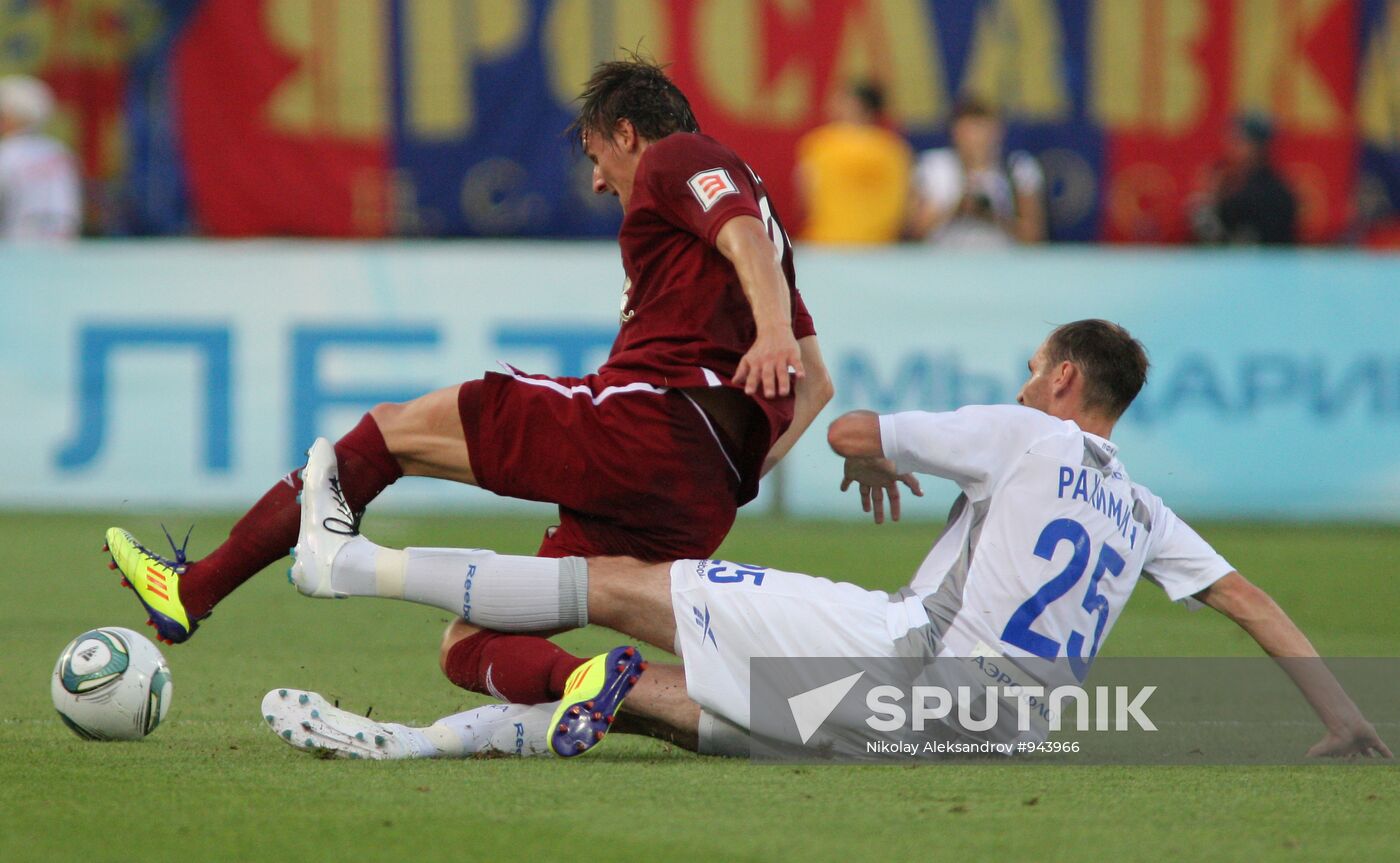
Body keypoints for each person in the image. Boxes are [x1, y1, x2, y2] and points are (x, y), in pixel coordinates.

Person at [263, 320, 1389, 761]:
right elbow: (1249, 602)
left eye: (1028, 369)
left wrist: (864, 453)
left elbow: (848, 422)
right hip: (984, 744)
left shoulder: (1020, 431)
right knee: (665, 701)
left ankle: (348, 561)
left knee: (620, 581)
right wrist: (1343, 716)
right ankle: (406, 745)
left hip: (909, 655)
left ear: (1059, 379)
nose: (1018, 382)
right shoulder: (1141, 507)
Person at [105, 57, 834, 712]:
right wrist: (724, 473)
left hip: (644, 427)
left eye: (596, 156)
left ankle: (194, 589)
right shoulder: (772, 246)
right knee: (470, 644)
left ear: (627, 132)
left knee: (390, 431)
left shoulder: (681, 157)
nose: (597, 179)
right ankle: (593, 683)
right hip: (693, 497)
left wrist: (766, 337)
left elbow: (737, 232)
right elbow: (816, 386)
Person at [908, 98, 1044, 248]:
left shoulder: (1017, 168)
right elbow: (916, 232)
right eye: (968, 131)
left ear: (997, 131)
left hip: (1003, 263)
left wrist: (993, 217)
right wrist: (958, 207)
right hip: (944, 262)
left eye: (982, 129)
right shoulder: (935, 166)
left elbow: (1033, 237)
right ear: (955, 132)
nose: (976, 139)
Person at [794, 81, 911, 245]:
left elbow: (805, 193)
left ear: (856, 104)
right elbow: (903, 203)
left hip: (826, 242)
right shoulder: (893, 148)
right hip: (879, 245)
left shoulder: (821, 144)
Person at [1191, 114, 1298, 245]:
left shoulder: (1274, 194)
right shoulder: (1227, 182)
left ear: (1257, 147)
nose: (1231, 147)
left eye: (1238, 141)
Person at [0, 75, 80, 241]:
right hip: (64, 247)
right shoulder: (59, 151)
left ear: (11, 117)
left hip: (16, 252)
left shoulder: (7, 154)